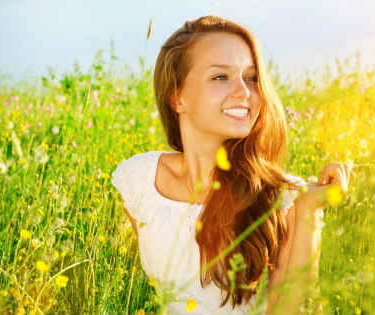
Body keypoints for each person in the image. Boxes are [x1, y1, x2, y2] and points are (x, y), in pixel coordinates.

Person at [111, 15, 351, 314]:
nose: (244, 92)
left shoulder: (283, 196)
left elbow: (289, 309)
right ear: (177, 97)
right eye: (220, 77)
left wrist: (308, 210)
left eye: (251, 78)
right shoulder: (140, 181)